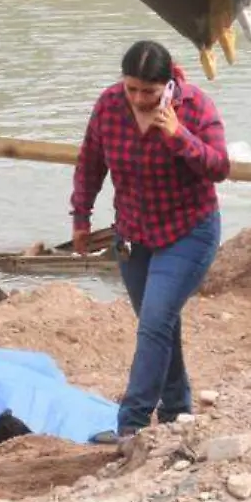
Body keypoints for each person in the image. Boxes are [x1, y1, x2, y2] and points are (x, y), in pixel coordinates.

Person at [70, 40, 229, 446]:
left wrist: (179, 136)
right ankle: (177, 413)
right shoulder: (109, 105)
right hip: (134, 234)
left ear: (167, 85)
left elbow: (219, 167)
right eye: (132, 90)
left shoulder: (195, 107)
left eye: (148, 92)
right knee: (159, 325)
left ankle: (133, 425)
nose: (139, 99)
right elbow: (90, 162)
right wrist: (81, 217)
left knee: (155, 322)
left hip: (189, 231)